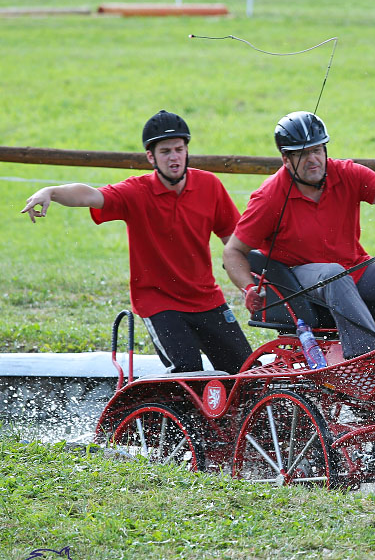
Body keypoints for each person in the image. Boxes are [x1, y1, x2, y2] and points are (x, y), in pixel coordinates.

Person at [21, 110, 253, 374]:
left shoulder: (210, 185)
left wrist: (254, 280)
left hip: (207, 298)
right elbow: (89, 195)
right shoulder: (135, 192)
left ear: (187, 151)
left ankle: (231, 416)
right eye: (165, 151)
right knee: (187, 371)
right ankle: (172, 415)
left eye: (179, 149)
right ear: (150, 157)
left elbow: (235, 243)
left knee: (246, 371)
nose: (174, 157)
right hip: (159, 302)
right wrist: (50, 191)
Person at [222, 111, 375, 360]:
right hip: (296, 279)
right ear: (285, 158)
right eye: (302, 153)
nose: (313, 159)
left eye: (317, 150)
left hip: (355, 269)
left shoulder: (347, 173)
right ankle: (370, 359)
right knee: (333, 274)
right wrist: (248, 288)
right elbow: (233, 251)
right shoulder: (268, 197)